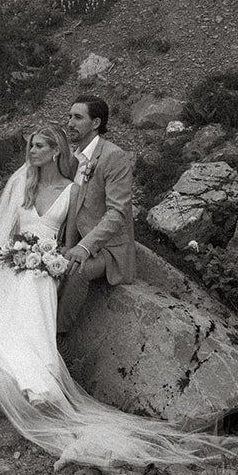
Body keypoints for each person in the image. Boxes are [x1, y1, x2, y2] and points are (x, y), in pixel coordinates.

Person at [0, 122, 233, 471]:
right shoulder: (21, 185)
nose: (33, 151)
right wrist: (7, 261)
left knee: (36, 287)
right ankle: (33, 371)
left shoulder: (72, 191)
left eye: (40, 146)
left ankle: (41, 369)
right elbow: (3, 233)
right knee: (13, 298)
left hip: (45, 262)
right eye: (31, 146)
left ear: (56, 151)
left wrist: (52, 262)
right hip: (15, 259)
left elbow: (69, 239)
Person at [56, 95, 135, 333]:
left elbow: (117, 212)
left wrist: (85, 247)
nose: (70, 123)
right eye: (69, 116)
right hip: (74, 237)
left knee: (77, 270)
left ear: (96, 123)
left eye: (78, 117)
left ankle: (59, 333)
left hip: (107, 248)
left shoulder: (114, 157)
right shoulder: (73, 156)